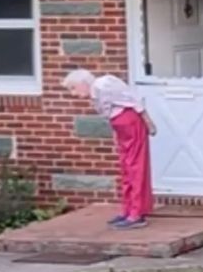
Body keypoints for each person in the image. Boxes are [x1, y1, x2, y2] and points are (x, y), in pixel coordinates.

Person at [62, 69, 156, 229]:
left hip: (130, 123)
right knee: (126, 168)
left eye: (73, 88)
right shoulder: (96, 92)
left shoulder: (104, 84)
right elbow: (110, 113)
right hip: (121, 126)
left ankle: (137, 213)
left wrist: (148, 121)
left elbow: (133, 99)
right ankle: (128, 210)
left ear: (82, 83)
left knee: (135, 167)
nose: (73, 93)